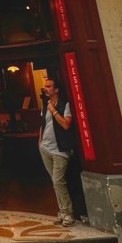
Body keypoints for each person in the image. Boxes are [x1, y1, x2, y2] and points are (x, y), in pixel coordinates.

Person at [38, 75, 75, 227]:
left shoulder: (65, 105)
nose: (45, 89)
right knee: (55, 181)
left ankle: (69, 213)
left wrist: (53, 111)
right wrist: (40, 142)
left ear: (56, 89)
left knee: (58, 181)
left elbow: (66, 124)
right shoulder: (45, 105)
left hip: (60, 149)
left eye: (49, 86)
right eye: (45, 86)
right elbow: (42, 124)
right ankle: (62, 211)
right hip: (45, 148)